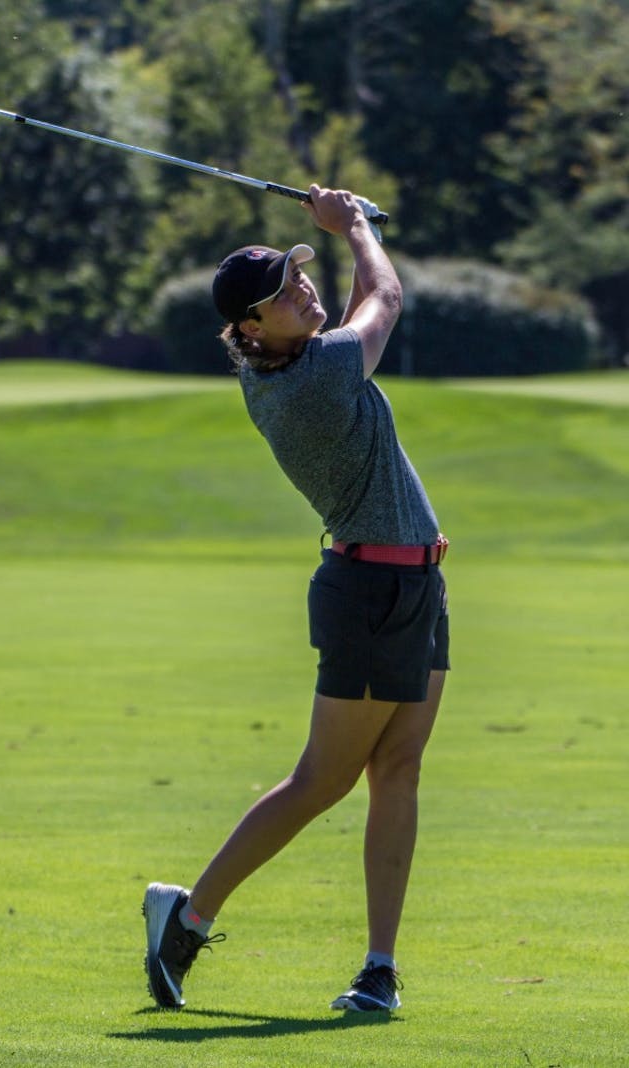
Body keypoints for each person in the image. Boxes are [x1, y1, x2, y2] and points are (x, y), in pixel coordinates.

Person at [143, 184, 450, 1015]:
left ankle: (378, 969)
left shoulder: (305, 360)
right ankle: (189, 914)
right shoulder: (308, 382)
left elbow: (352, 313)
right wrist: (354, 227)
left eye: (295, 275)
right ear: (249, 329)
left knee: (399, 769)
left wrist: (354, 238)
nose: (299, 290)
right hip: (370, 590)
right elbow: (383, 300)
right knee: (323, 780)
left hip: (414, 582)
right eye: (281, 291)